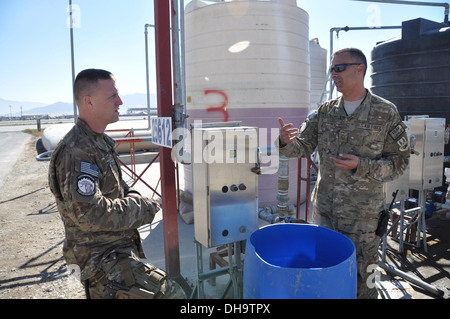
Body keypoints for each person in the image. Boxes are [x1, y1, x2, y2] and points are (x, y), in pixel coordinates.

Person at [277, 48, 410, 299]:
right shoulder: (325, 111)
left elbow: (399, 162)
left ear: (360, 69)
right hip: (326, 214)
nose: (333, 74)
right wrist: (285, 142)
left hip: (363, 219)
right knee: (325, 271)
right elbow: (303, 146)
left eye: (339, 68)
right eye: (331, 69)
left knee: (365, 280)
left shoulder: (385, 112)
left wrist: (362, 165)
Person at [49, 68, 186, 299]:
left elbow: (121, 189)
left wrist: (134, 197)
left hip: (117, 251)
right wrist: (146, 207)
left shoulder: (98, 143)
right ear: (89, 102)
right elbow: (91, 213)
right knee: (172, 293)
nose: (120, 101)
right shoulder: (76, 152)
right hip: (100, 261)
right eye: (112, 96)